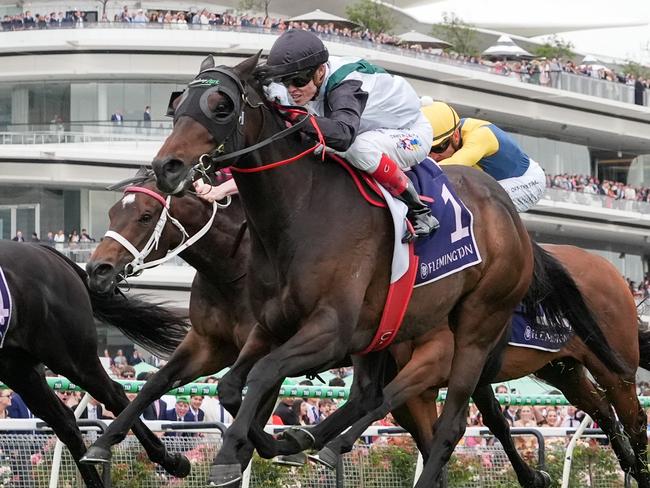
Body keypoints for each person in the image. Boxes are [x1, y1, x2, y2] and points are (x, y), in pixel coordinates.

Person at [195, 29, 438, 240]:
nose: (292, 91)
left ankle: (418, 210)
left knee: (359, 148)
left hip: (408, 132)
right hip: (362, 126)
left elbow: (343, 136)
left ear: (321, 72)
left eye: (298, 82)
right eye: (285, 81)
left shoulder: (346, 87)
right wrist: (220, 189)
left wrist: (296, 118)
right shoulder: (301, 77)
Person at [421, 100, 546, 213]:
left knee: (479, 204)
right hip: (496, 180)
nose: (433, 156)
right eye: (428, 150)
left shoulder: (481, 136)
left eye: (438, 148)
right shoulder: (451, 128)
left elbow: (454, 165)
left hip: (528, 180)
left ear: (456, 136)